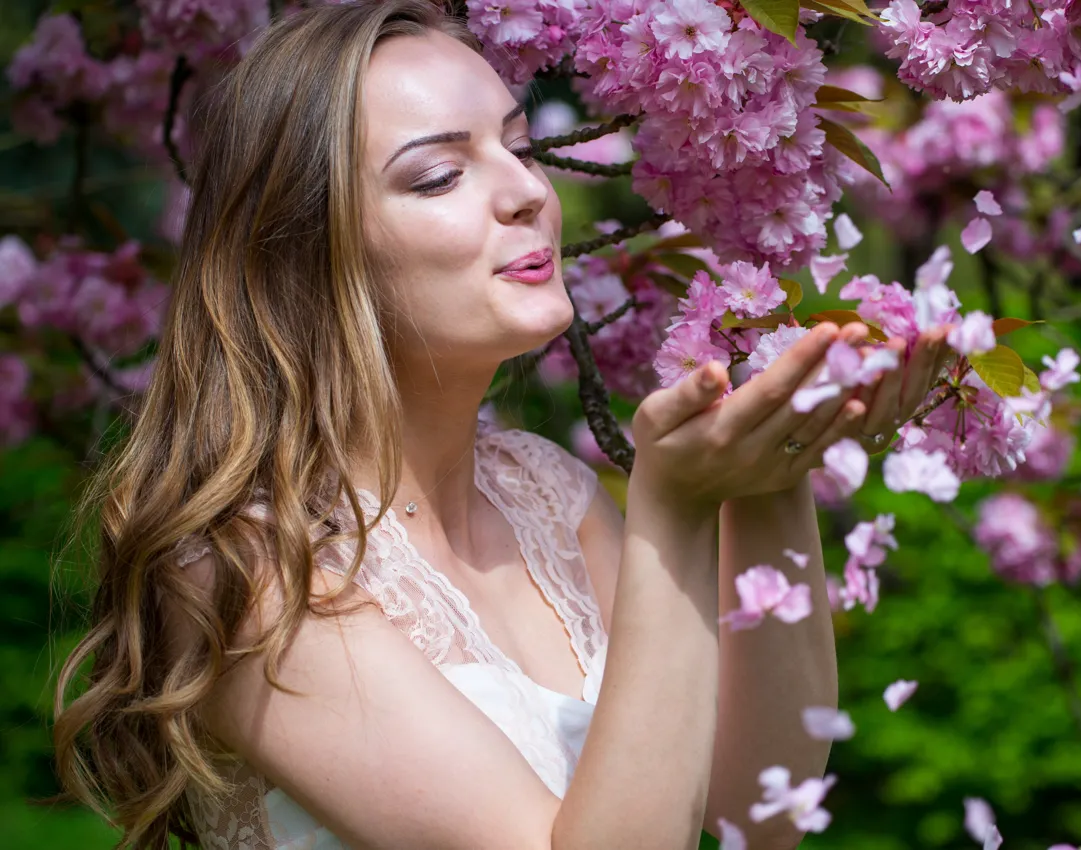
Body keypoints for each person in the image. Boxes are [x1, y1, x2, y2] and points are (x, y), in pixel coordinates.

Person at [49, 2, 949, 848]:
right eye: (439, 175)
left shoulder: (545, 492)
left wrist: (771, 481)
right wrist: (671, 512)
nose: (525, 191)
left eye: (519, 147)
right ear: (304, 251)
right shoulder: (249, 568)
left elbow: (760, 812)